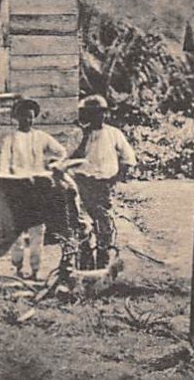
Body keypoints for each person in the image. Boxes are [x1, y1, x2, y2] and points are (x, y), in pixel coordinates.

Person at [0, 98, 67, 280]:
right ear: (17, 118)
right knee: (17, 233)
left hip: (38, 188)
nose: (27, 121)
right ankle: (19, 268)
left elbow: (61, 152)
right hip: (17, 188)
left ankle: (36, 269)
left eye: (30, 117)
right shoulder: (10, 140)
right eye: (23, 117)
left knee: (38, 230)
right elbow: (4, 166)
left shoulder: (41, 137)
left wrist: (52, 165)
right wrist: (8, 186)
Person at [71, 95, 136, 269]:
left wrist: (115, 178)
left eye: (101, 113)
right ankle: (85, 262)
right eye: (92, 114)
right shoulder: (79, 135)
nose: (98, 117)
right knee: (82, 223)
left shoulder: (114, 133)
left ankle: (103, 262)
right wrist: (84, 136)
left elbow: (128, 158)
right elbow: (71, 157)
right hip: (82, 182)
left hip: (103, 184)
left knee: (104, 223)